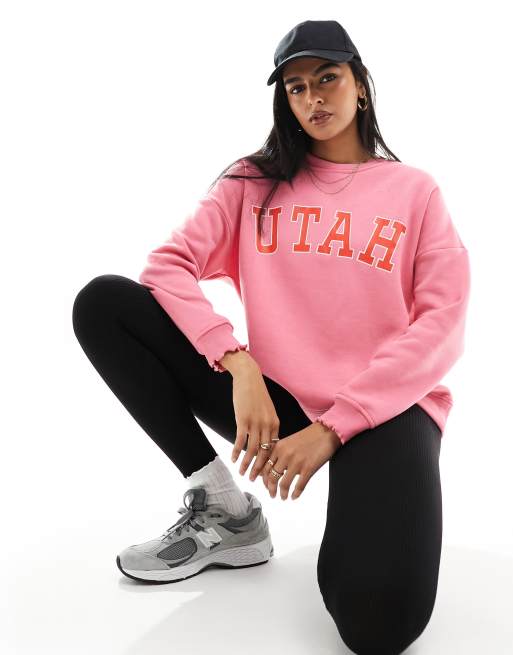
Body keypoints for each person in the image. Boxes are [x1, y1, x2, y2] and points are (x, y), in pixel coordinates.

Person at [72, 19, 470, 655]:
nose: (313, 97)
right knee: (105, 305)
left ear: (361, 85)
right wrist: (238, 363)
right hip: (275, 403)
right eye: (295, 87)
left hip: (384, 411)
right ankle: (224, 510)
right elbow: (168, 267)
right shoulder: (253, 181)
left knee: (379, 626)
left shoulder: (414, 191)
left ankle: (359, 516)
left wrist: (335, 427)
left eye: (327, 78)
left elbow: (442, 324)